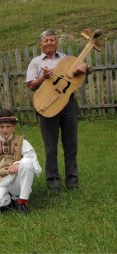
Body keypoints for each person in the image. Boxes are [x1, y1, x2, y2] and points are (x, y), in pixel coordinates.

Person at [26, 30, 90, 190]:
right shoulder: (35, 62)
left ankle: (72, 182)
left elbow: (80, 75)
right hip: (47, 104)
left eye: (52, 40)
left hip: (68, 103)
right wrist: (44, 78)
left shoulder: (67, 59)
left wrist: (86, 67)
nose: (49, 43)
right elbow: (31, 85)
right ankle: (53, 183)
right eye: (46, 40)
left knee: (71, 144)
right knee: (50, 146)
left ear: (56, 43)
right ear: (40, 44)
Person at [0, 109, 42, 214]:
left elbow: (33, 162)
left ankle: (22, 202)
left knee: (27, 162)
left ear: (14, 127)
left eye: (8, 126)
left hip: (17, 182)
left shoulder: (22, 142)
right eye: (2, 127)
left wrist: (18, 164)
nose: (5, 130)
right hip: (1, 182)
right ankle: (11, 199)